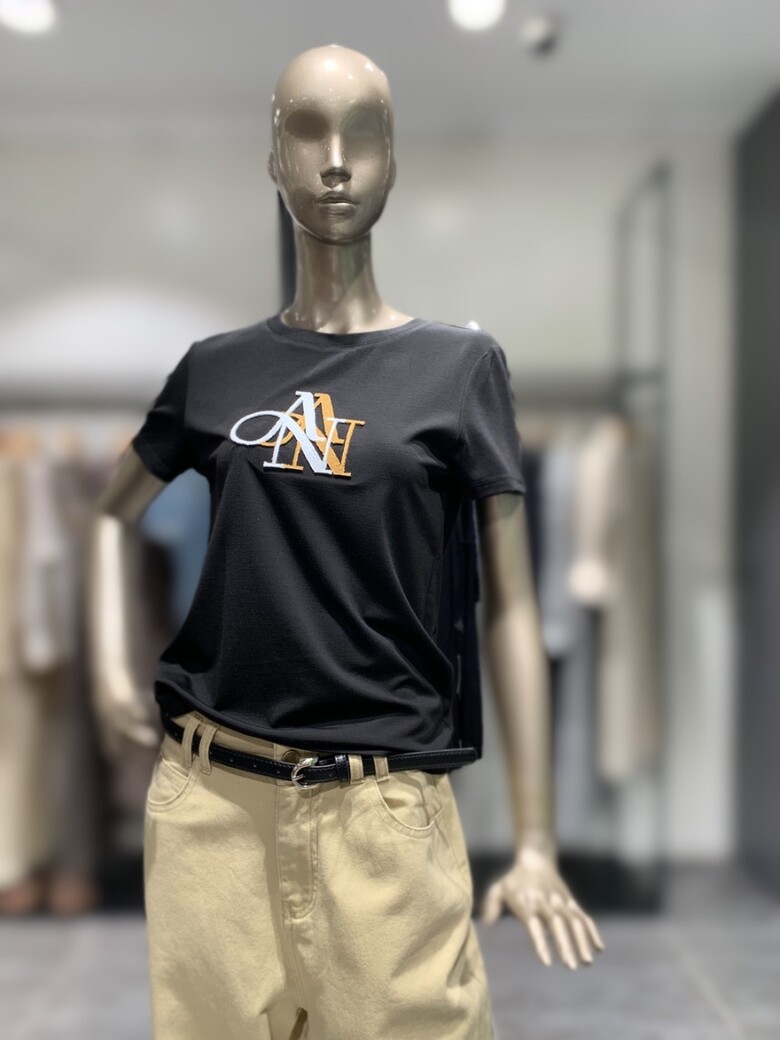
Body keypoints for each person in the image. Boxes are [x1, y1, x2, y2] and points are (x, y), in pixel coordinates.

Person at [88, 43, 603, 1040]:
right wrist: (111, 665)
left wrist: (536, 839)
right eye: (307, 133)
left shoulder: (459, 368)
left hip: (384, 818)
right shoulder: (214, 371)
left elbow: (513, 602)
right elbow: (110, 510)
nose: (335, 161)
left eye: (361, 134)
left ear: (393, 158)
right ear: (272, 157)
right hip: (212, 812)